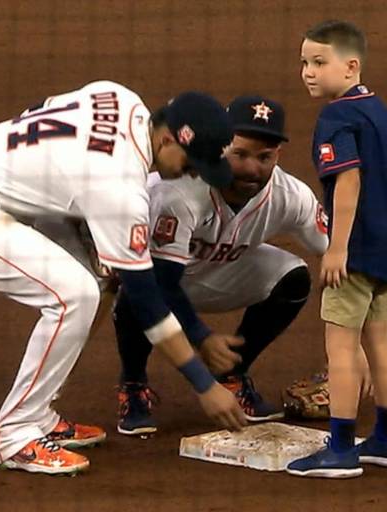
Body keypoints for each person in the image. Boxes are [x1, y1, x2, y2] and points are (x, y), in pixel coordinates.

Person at [0, 81, 247, 476]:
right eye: (192, 163)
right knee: (75, 296)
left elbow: (36, 114)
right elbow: (147, 300)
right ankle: (13, 436)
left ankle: (38, 416)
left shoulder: (118, 96)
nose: (192, 175)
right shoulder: (120, 187)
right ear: (170, 138)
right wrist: (203, 384)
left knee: (99, 279)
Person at [112, 95, 330, 436]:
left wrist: (350, 351)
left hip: (220, 275)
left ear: (279, 156)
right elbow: (162, 283)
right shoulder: (179, 192)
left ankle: (231, 377)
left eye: (264, 157)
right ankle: (133, 384)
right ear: (219, 147)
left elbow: (338, 253)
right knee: (136, 286)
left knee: (294, 275)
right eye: (240, 154)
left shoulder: (291, 196)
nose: (252, 168)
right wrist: (202, 338)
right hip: (164, 281)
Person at [286, 20, 387, 478]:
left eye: (319, 62)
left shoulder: (336, 117)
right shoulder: (381, 111)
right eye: (304, 62)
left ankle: (340, 448)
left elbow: (348, 178)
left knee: (340, 346)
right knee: (379, 338)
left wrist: (337, 248)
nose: (308, 71)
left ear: (351, 65)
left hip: (358, 248)